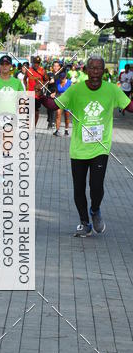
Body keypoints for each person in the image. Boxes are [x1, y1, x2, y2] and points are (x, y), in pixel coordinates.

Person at [56, 56, 133, 236]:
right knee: (79, 188)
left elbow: (129, 107)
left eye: (99, 68)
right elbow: (55, 104)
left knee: (96, 186)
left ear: (103, 71)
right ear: (86, 70)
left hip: (100, 147)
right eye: (92, 68)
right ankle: (84, 223)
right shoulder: (75, 90)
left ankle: (95, 210)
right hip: (78, 148)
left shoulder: (112, 90)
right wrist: (39, 98)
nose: (96, 72)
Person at [24, 55, 46, 126]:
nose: (36, 64)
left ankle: (33, 128)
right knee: (29, 112)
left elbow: (47, 80)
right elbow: (24, 79)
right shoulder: (29, 70)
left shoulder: (42, 71)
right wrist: (26, 87)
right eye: (35, 63)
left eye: (38, 63)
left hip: (38, 95)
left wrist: (42, 86)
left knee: (36, 112)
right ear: (32, 63)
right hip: (29, 94)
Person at [53, 67, 71, 136]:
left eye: (63, 78)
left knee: (67, 116)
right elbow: (56, 91)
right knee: (58, 115)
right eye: (60, 78)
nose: (61, 79)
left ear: (65, 77)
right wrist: (54, 94)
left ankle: (66, 130)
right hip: (59, 101)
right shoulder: (57, 82)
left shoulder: (69, 83)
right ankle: (57, 130)